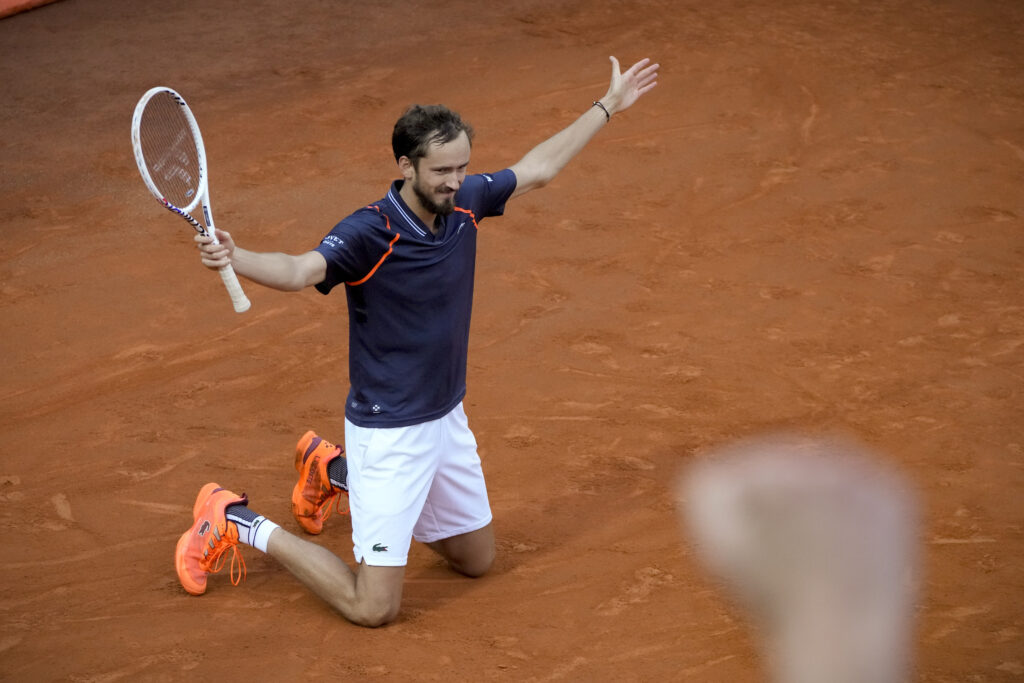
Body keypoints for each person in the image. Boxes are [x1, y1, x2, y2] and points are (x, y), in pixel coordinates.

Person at [174, 56, 659, 627]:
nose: (455, 181)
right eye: (441, 172)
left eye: (462, 168)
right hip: (389, 433)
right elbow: (300, 269)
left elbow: (537, 170)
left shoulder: (465, 205)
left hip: (445, 420)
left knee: (476, 561)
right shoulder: (368, 231)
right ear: (406, 165)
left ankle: (331, 471)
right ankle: (235, 519)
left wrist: (607, 107)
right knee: (373, 607)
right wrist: (237, 257)